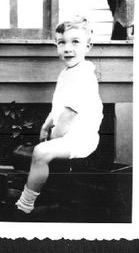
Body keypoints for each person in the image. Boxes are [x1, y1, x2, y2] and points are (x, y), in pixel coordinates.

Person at [15, 15, 103, 219]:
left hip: (81, 137)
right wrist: (46, 125)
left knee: (41, 152)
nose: (67, 48)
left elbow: (70, 114)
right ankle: (42, 191)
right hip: (66, 132)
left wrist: (53, 138)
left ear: (88, 46)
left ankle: (25, 204)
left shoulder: (83, 75)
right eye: (61, 42)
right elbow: (59, 107)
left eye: (75, 42)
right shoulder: (67, 72)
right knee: (41, 150)